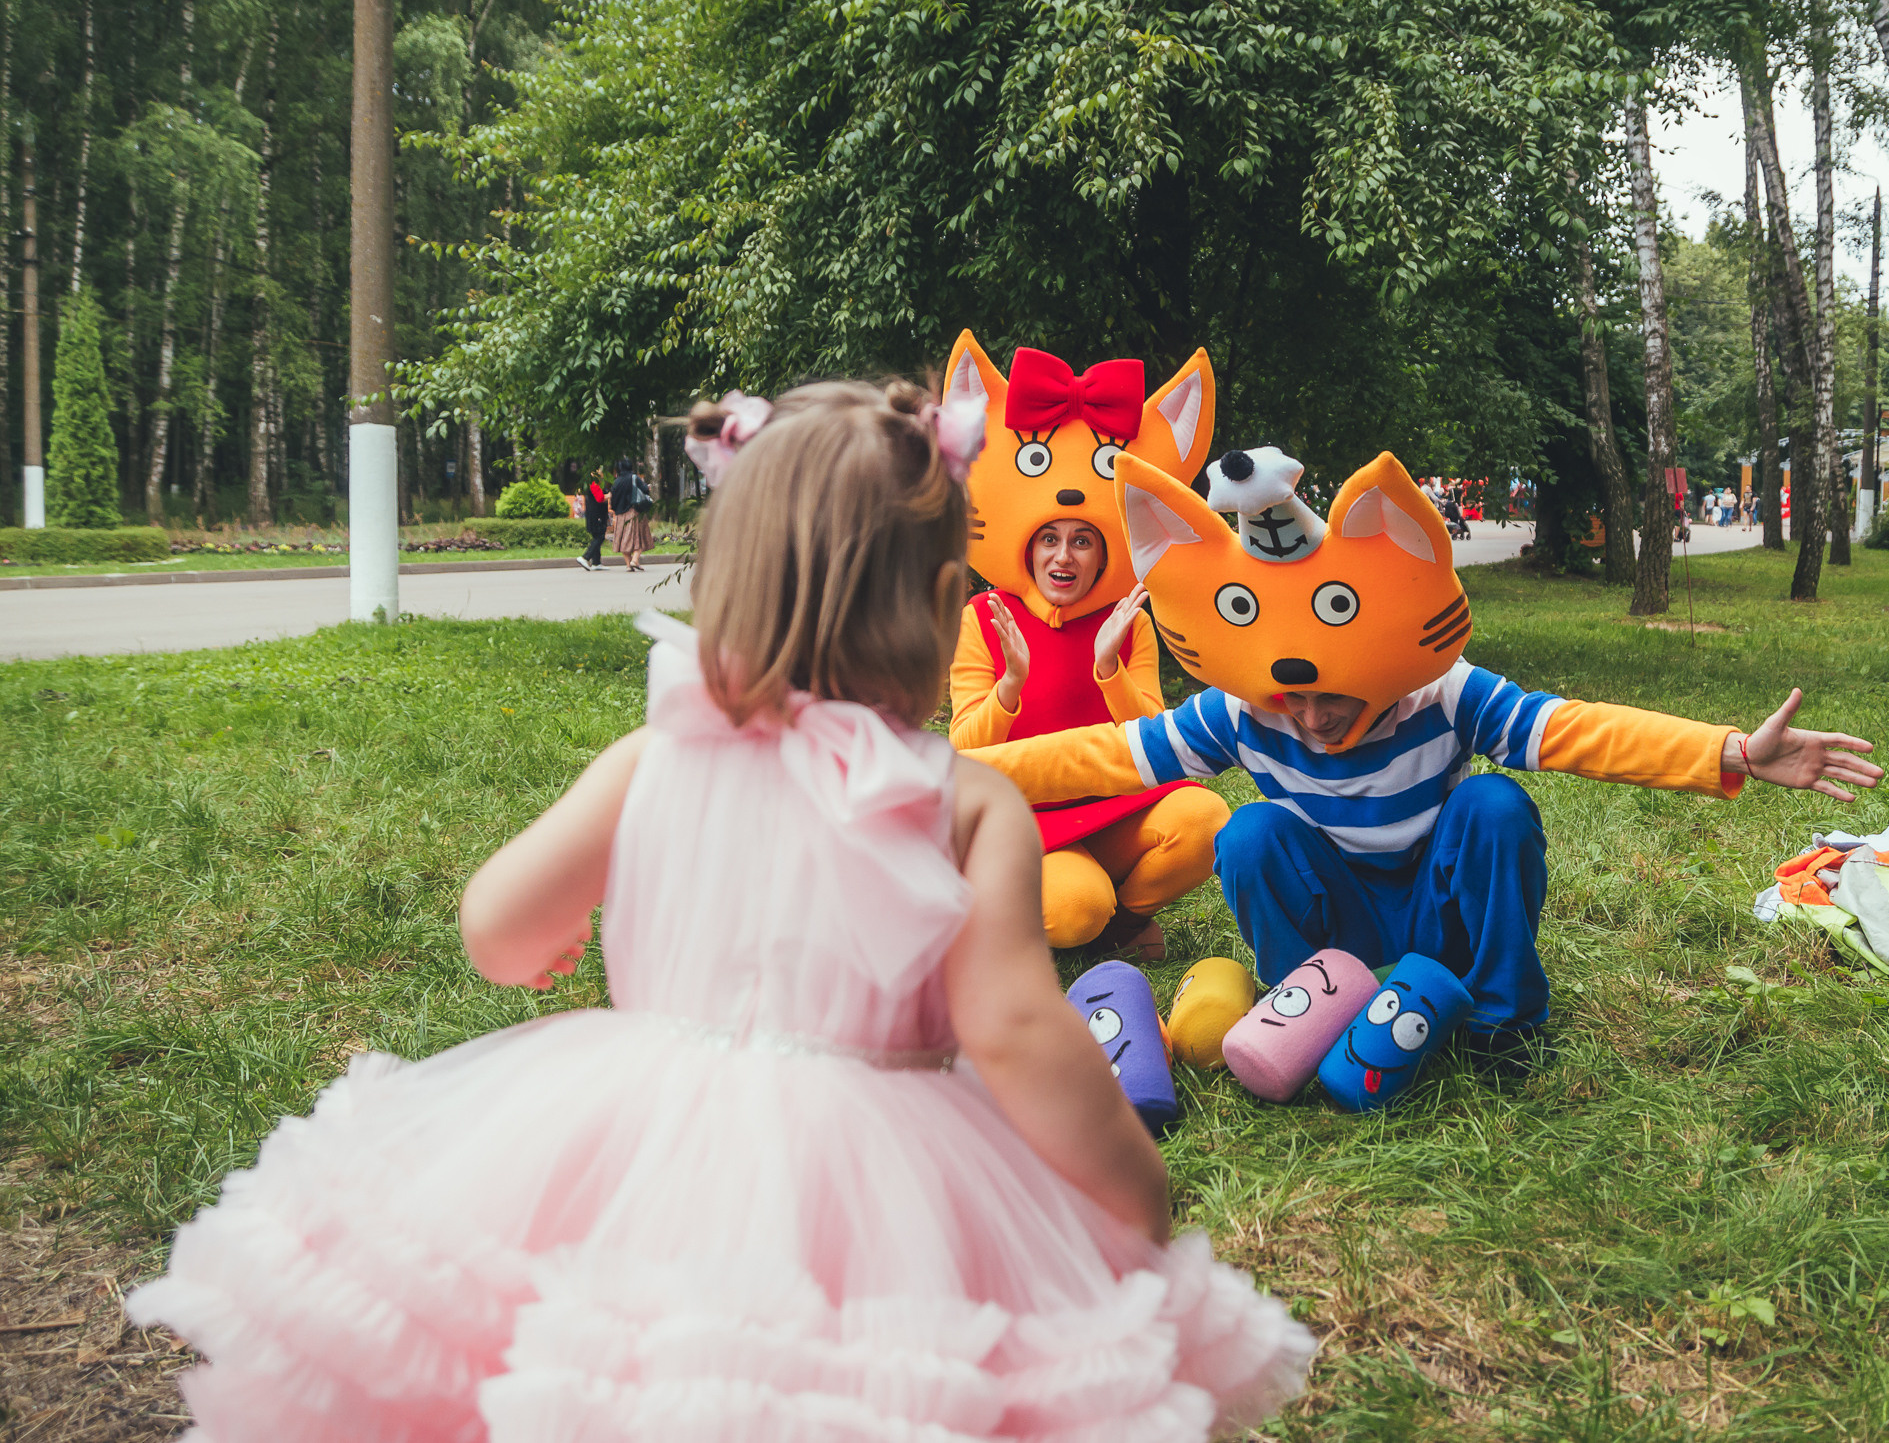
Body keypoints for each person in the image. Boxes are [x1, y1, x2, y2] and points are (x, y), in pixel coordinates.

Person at [126, 379, 1315, 1438]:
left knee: (587, 1367)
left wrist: (549, 948)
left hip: (625, 1133)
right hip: (884, 1172)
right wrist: (1128, 1184)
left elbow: (496, 925)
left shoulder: (657, 754)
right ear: (949, 599)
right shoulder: (964, 804)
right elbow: (1010, 1028)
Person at [967, 447, 1882, 1069]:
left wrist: (1727, 752)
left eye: (1336, 696)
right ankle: (1312, 1009)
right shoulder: (1244, 712)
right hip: (1340, 924)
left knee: (1494, 807)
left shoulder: (1444, 691)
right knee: (1249, 835)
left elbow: (1575, 730)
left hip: (1441, 909)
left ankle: (1500, 1022)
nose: (1316, 718)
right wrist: (962, 775)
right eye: (1297, 698)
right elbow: (1108, 756)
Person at [937, 330, 1230, 960]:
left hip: (1116, 809)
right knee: (1075, 908)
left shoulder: (1130, 622)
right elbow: (963, 746)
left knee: (1206, 822)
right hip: (1030, 820)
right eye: (1050, 539)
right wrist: (1010, 684)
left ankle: (1123, 921)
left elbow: (1158, 736)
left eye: (1082, 540)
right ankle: (1074, 912)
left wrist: (1107, 667)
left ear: (1103, 551)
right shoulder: (982, 617)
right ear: (1029, 547)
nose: (1063, 556)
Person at [608, 456, 655, 573]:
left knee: (623, 540)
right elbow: (645, 490)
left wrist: (616, 510)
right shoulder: (634, 478)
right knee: (638, 537)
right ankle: (634, 560)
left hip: (619, 514)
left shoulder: (616, 481)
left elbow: (612, 499)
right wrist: (648, 487)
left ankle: (629, 565)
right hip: (634, 512)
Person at [577, 465, 612, 570]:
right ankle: (585, 557)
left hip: (595, 515)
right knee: (600, 537)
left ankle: (596, 562)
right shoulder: (594, 485)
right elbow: (600, 498)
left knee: (597, 536)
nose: (601, 474)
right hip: (596, 515)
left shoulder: (595, 485)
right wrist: (610, 495)